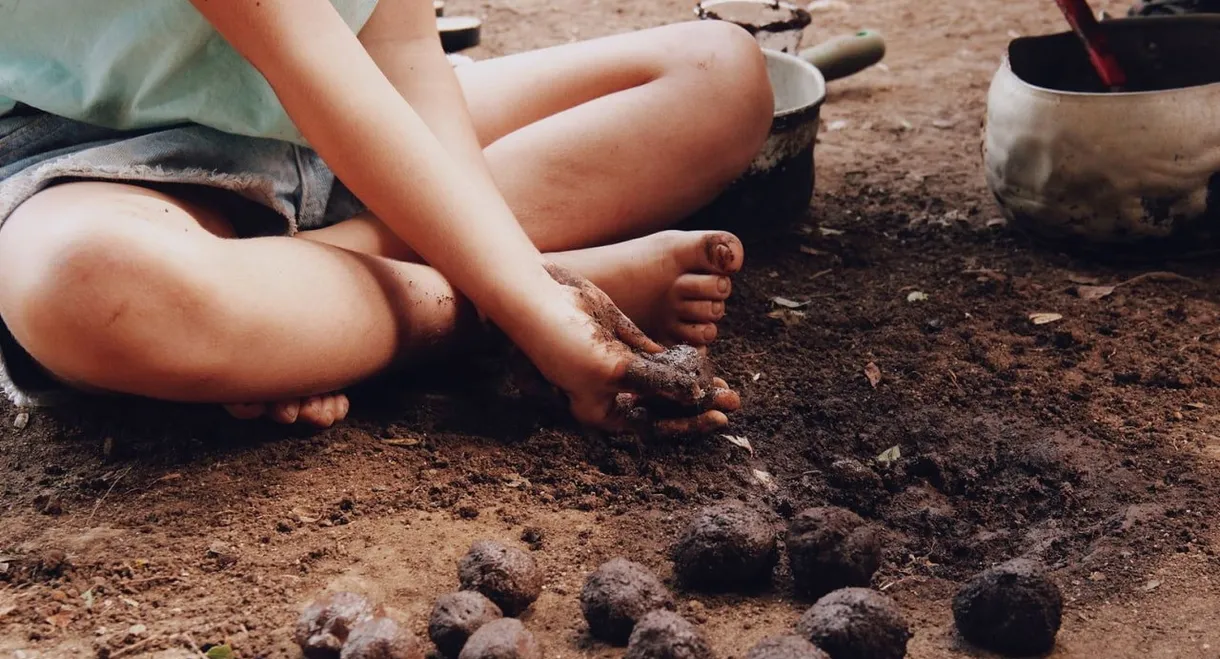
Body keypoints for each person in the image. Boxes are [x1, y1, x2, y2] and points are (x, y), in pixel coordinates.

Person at [0, 0, 774, 432]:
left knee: (719, 72)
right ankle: (471, 307)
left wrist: (511, 272)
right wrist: (534, 308)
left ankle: (305, 310)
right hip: (98, 157)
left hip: (352, 119)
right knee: (89, 287)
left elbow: (401, 49)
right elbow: (291, 42)